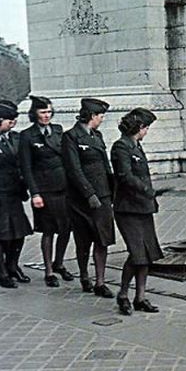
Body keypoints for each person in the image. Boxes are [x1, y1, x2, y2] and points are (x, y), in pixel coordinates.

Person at [111, 108, 165, 315]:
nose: (147, 131)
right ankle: (123, 294)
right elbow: (125, 176)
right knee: (136, 253)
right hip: (127, 209)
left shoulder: (136, 146)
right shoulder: (121, 147)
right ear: (139, 127)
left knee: (147, 254)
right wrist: (147, 191)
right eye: (146, 127)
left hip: (142, 207)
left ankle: (140, 297)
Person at [62, 98, 115, 297]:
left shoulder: (97, 135)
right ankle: (85, 276)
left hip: (103, 197)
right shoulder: (71, 137)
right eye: (100, 116)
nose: (102, 120)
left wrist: (112, 192)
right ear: (92, 116)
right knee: (83, 241)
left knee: (102, 240)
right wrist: (89, 193)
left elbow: (105, 166)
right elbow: (74, 169)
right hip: (81, 200)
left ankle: (100, 282)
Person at [19, 96, 75, 287]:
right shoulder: (27, 136)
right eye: (43, 112)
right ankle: (49, 271)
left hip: (64, 187)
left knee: (66, 229)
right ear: (34, 113)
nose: (46, 116)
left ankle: (59, 263)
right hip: (45, 190)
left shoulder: (58, 130)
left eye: (49, 112)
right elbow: (26, 168)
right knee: (49, 230)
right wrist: (35, 194)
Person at [0, 102, 33, 288]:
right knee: (2, 235)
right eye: (10, 120)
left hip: (14, 194)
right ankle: (3, 273)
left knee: (19, 232)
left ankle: (13, 265)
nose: (13, 123)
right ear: (0, 120)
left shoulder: (9, 140)